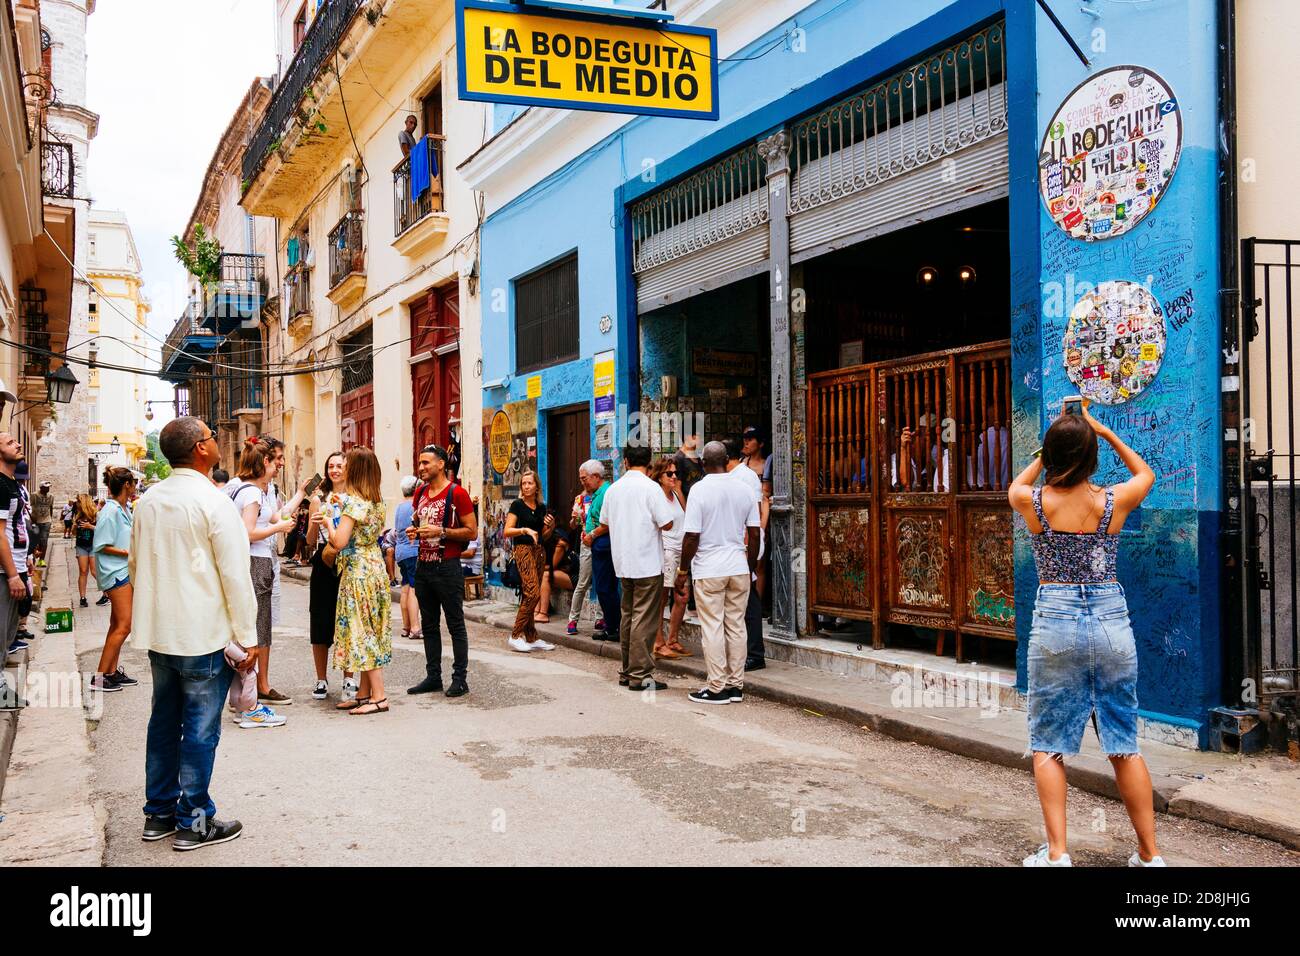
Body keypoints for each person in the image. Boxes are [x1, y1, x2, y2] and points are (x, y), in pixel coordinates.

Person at [1008, 398, 1162, 868]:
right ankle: (1150, 855)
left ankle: (1057, 854)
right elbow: (1147, 474)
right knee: (1123, 743)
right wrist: (1103, 431)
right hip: (1111, 620)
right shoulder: (1111, 502)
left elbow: (1018, 482)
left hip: (1056, 620)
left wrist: (1051, 444)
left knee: (1049, 743)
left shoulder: (1032, 502)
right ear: (1093, 457)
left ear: (1051, 456)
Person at [132, 417, 259, 850]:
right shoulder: (213, 500)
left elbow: (137, 565)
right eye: (209, 436)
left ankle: (159, 813)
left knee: (164, 723)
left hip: (162, 633)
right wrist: (247, 635)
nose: (214, 440)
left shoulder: (149, 500)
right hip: (203, 634)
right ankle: (195, 820)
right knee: (201, 731)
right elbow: (235, 575)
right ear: (200, 450)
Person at [681, 441, 761, 705]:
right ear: (728, 460)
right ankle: (736, 686)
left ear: (703, 463)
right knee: (736, 626)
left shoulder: (698, 490)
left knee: (713, 627)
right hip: (738, 566)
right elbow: (754, 533)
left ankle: (717, 688)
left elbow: (692, 536)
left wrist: (683, 568)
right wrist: (749, 566)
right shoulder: (745, 489)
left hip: (709, 569)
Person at [317, 446, 392, 716]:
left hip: (358, 569)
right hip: (375, 566)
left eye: (347, 464)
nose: (343, 467)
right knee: (372, 625)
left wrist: (328, 521)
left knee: (361, 630)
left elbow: (339, 541)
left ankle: (379, 696)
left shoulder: (354, 502)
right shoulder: (376, 499)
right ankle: (363, 692)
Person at [598, 443, 677, 692]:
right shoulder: (651, 489)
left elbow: (605, 521)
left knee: (629, 615)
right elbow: (667, 524)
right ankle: (640, 674)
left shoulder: (614, 490)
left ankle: (627, 670)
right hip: (647, 562)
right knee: (644, 618)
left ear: (625, 462)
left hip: (623, 561)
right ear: (649, 462)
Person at [230, 437, 296, 714]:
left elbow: (270, 517)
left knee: (247, 628)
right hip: (256, 562)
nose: (277, 466)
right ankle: (250, 701)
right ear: (264, 462)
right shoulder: (254, 494)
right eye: (273, 461)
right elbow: (248, 533)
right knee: (257, 630)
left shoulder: (237, 491)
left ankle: (241, 697)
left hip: (245, 562)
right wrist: (278, 529)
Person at [406, 444, 477, 698]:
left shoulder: (457, 494)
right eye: (420, 463)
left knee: (455, 624)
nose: (421, 467)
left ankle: (460, 679)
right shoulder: (421, 493)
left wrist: (443, 532)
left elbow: (471, 531)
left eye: (426, 463)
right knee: (430, 624)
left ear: (441, 464)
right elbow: (417, 521)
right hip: (423, 565)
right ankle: (433, 676)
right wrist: (414, 530)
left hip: (447, 567)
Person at [307, 451, 353, 700]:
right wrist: (315, 522)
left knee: (347, 620)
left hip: (349, 562)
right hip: (324, 563)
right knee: (320, 620)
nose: (335, 470)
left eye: (339, 465)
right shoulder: (318, 499)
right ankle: (321, 679)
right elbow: (310, 541)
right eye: (331, 466)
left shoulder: (356, 498)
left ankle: (349, 679)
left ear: (348, 468)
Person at [89, 467, 139, 693]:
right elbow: (102, 545)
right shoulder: (110, 511)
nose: (136, 485)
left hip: (121, 570)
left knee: (116, 625)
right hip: (115, 572)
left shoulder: (121, 509)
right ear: (127, 484)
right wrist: (130, 553)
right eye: (134, 482)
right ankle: (100, 676)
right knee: (125, 625)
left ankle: (110, 671)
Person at [725, 439, 768, 672]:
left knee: (749, 600)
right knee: (741, 600)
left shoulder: (743, 477)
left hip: (745, 544)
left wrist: (746, 547)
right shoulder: (739, 476)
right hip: (740, 544)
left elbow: (750, 516)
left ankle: (754, 653)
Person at [503, 470, 555, 653]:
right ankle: (515, 636)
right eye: (523, 484)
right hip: (523, 550)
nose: (526, 486)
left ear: (536, 486)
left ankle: (531, 637)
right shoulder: (517, 505)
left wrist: (551, 526)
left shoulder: (541, 507)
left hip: (539, 551)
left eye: (529, 483)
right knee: (533, 593)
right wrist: (524, 530)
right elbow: (507, 531)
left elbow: (544, 536)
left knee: (529, 594)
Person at [648, 457, 691, 659]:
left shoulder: (675, 493)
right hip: (666, 551)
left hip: (681, 551)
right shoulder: (656, 496)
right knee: (662, 598)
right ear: (659, 476)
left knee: (682, 597)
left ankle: (673, 639)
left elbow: (687, 515)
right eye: (669, 474)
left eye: (675, 473)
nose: (674, 476)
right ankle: (658, 642)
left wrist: (679, 489)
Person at [0, 433, 30, 710]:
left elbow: (16, 526)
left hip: (17, 565)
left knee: (9, 634)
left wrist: (25, 561)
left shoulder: (11, 484)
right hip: (4, 571)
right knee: (1, 633)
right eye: (10, 443)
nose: (18, 444)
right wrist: (11, 574)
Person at [565, 460, 606, 637]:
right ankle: (573, 619)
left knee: (600, 582)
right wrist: (574, 519)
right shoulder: (580, 499)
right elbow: (572, 525)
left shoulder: (602, 495)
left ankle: (600, 617)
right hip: (586, 543)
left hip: (600, 540)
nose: (582, 482)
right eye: (581, 479)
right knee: (583, 581)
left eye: (584, 478)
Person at [583, 460, 620, 644]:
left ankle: (613, 627)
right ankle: (611, 624)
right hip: (599, 544)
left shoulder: (606, 492)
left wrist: (591, 534)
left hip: (604, 544)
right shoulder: (598, 493)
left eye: (585, 479)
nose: (583, 483)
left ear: (596, 476)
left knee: (605, 588)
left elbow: (607, 523)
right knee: (605, 588)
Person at [537, 507, 576, 626]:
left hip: (571, 577)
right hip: (558, 574)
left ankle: (543, 613)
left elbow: (552, 566)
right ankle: (535, 611)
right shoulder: (543, 538)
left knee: (544, 575)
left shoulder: (560, 541)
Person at [393, 475, 421, 639]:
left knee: (405, 588)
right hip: (412, 550)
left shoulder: (399, 507)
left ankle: (406, 626)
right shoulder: (414, 506)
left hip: (401, 551)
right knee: (414, 588)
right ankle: (415, 628)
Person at [72, 494, 97, 608]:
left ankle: (107, 593)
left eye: (78, 501)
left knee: (94, 571)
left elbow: (103, 530)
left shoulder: (95, 515)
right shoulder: (78, 516)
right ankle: (82, 598)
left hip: (93, 545)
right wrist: (74, 528)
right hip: (81, 546)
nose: (76, 503)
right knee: (83, 571)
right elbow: (74, 533)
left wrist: (90, 526)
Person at [30, 479, 53, 561]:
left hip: (46, 520)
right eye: (46, 487)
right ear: (41, 487)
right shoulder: (34, 495)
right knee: (35, 540)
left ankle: (42, 559)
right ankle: (34, 557)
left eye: (49, 487)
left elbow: (51, 507)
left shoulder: (51, 496)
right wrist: (32, 519)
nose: (48, 489)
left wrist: (51, 518)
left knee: (44, 540)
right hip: (36, 520)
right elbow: (30, 506)